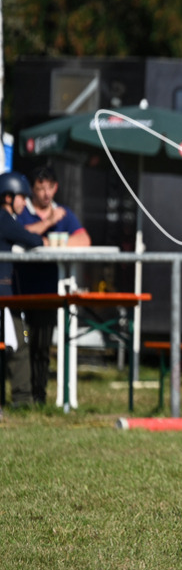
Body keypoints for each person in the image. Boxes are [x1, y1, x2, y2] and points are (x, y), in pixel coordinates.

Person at [16, 165, 91, 406]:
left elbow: (84, 240)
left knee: (41, 346)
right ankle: (22, 396)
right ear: (32, 190)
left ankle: (39, 396)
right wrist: (48, 225)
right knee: (22, 343)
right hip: (21, 292)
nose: (46, 194)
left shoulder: (64, 213)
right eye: (40, 188)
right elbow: (17, 234)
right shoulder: (23, 212)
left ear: (56, 187)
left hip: (48, 293)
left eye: (50, 188)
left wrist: (53, 242)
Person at [0, 172, 46, 409]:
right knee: (20, 342)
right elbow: (33, 240)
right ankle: (23, 399)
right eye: (21, 197)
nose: (24, 202)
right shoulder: (5, 220)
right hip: (4, 297)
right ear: (8, 197)